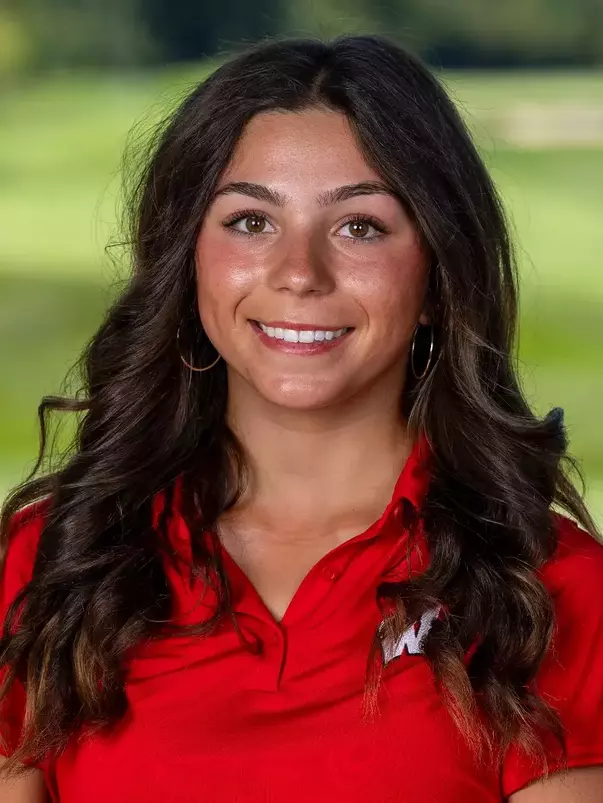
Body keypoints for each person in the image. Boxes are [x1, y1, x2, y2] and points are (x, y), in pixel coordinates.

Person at [1, 33, 602, 803]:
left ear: (436, 278)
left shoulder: (545, 588)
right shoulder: (58, 559)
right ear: (188, 261)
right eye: (251, 221)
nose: (298, 274)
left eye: (360, 226)